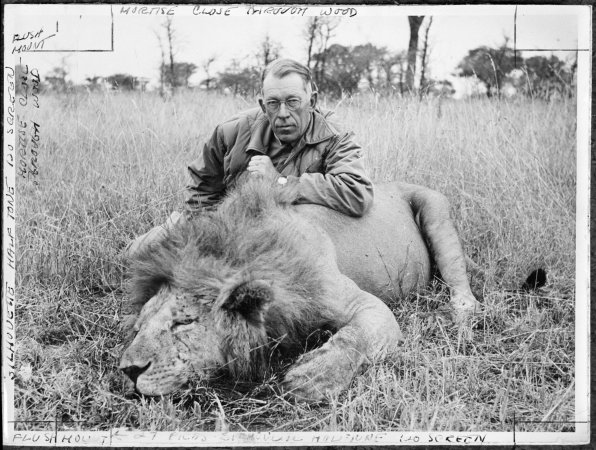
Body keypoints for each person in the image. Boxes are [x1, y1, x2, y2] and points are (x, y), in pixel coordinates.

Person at [186, 58, 373, 217]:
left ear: (312, 102)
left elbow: (356, 193)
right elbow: (200, 196)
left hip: (299, 237)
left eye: (293, 101)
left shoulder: (335, 136)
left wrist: (279, 181)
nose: (283, 113)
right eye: (273, 103)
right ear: (262, 105)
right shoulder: (229, 133)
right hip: (236, 232)